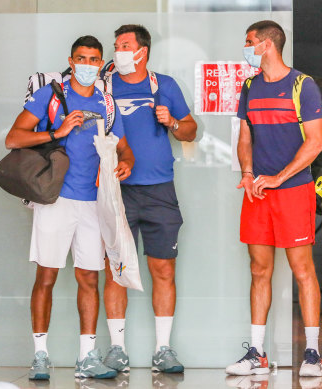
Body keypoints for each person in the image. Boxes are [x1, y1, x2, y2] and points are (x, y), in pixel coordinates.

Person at [6, 35, 134, 380]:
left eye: (94, 60)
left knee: (89, 278)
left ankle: (86, 357)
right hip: (55, 199)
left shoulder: (107, 104)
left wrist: (127, 163)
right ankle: (40, 357)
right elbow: (13, 138)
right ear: (71, 60)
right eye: (82, 58)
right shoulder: (51, 95)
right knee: (46, 275)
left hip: (93, 202)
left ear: (100, 63)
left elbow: (124, 148)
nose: (88, 65)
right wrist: (56, 132)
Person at [225, 20, 322, 378]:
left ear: (267, 45)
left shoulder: (303, 86)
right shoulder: (250, 86)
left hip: (294, 191)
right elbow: (245, 135)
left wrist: (279, 177)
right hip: (258, 193)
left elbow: (315, 143)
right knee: (259, 269)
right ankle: (257, 353)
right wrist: (248, 174)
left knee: (302, 270)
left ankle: (312, 353)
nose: (246, 46)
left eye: (249, 41)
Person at [102, 24, 198, 374]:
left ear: (142, 51)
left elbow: (191, 129)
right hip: (116, 190)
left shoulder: (164, 86)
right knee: (117, 270)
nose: (119, 52)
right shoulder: (105, 87)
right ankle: (116, 350)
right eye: (116, 46)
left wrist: (172, 121)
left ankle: (163, 350)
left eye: (125, 45)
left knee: (163, 269)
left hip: (159, 190)